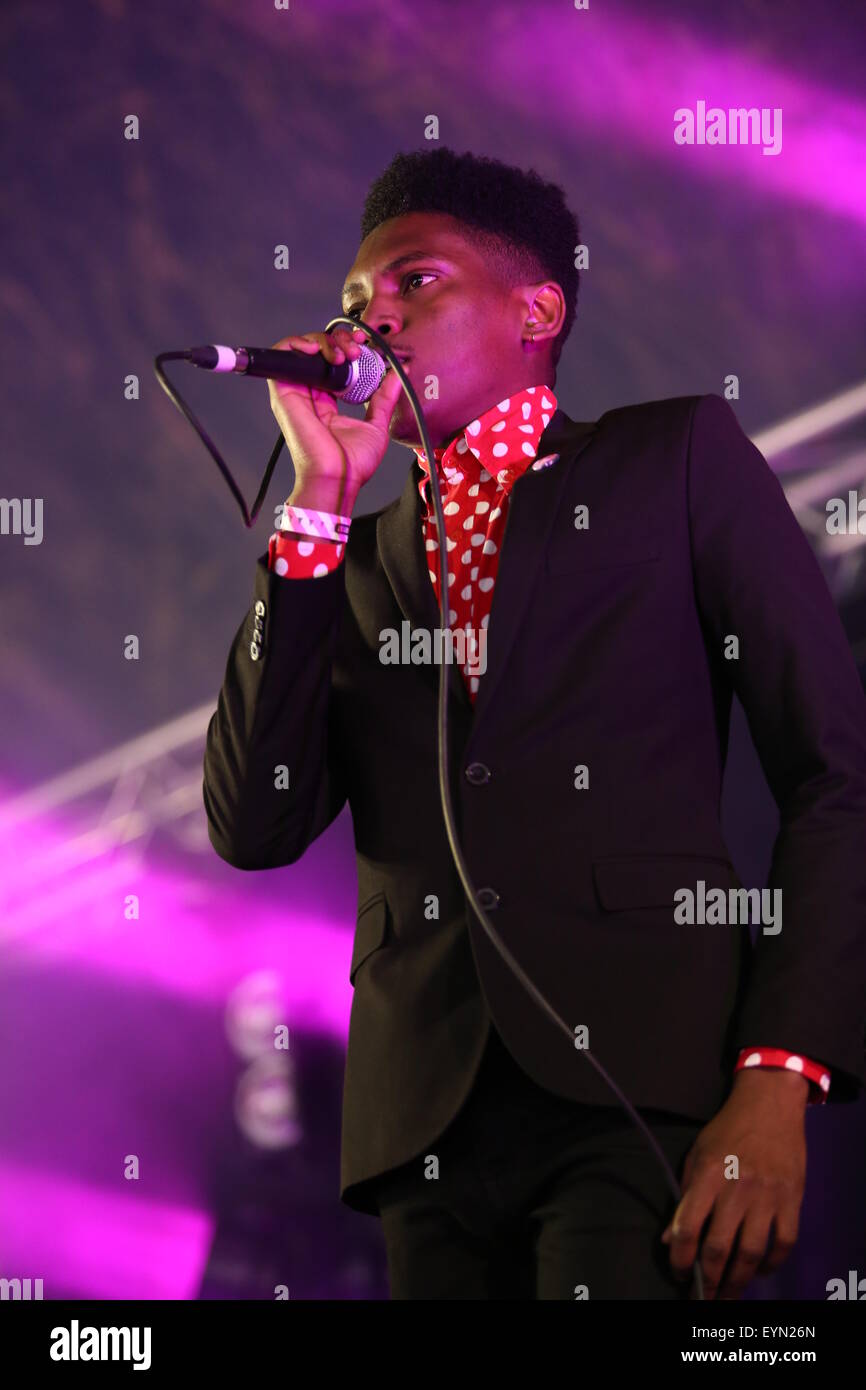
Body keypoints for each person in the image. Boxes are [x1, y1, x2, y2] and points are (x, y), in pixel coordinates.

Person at [202, 146, 866, 1299]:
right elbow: (252, 824)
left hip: (640, 1089)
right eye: (356, 302)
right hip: (425, 1130)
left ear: (536, 308)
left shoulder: (673, 460)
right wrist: (315, 501)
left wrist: (775, 1076)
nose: (371, 321)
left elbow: (835, 778)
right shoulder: (346, 565)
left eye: (414, 283)